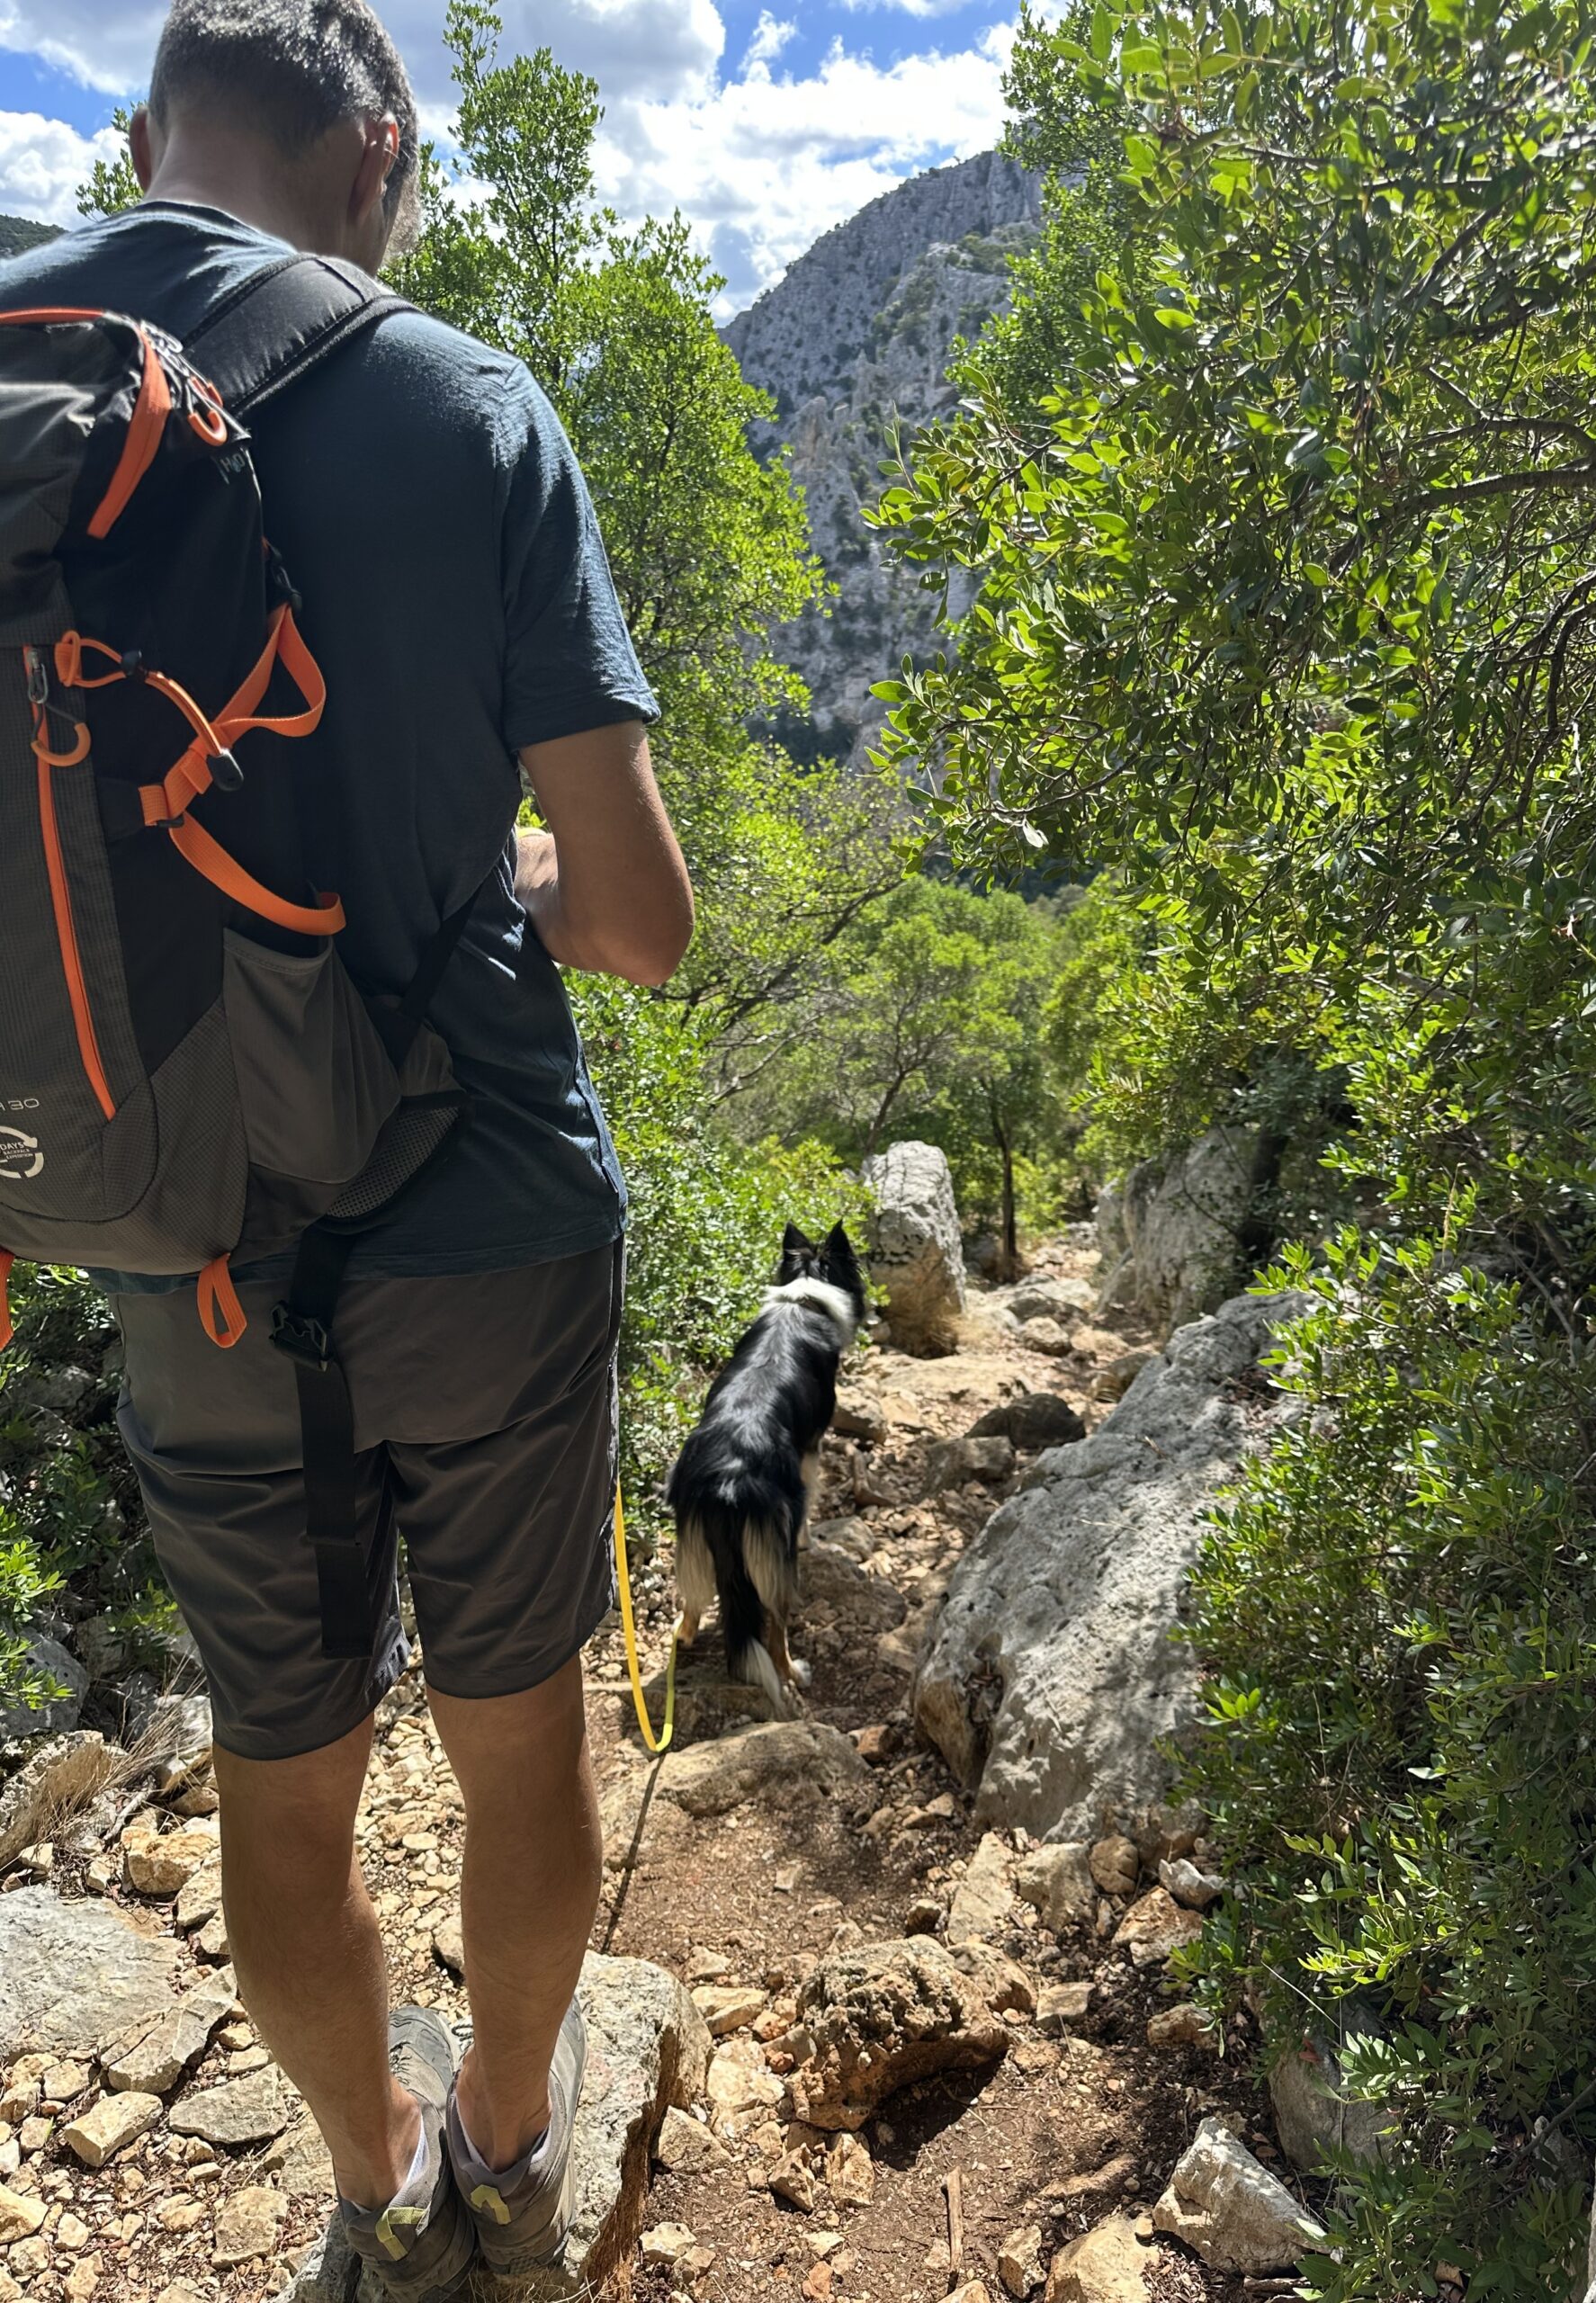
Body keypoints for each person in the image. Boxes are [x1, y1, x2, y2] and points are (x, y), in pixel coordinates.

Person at [0, 3, 694, 2293]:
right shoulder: (463, 404)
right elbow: (642, 922)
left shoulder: (17, 382)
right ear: (376, 153)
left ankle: (374, 2190)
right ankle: (511, 2151)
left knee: (282, 1788)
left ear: (141, 139)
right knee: (515, 1747)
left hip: (172, 1227)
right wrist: (493, 875)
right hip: (482, 1219)